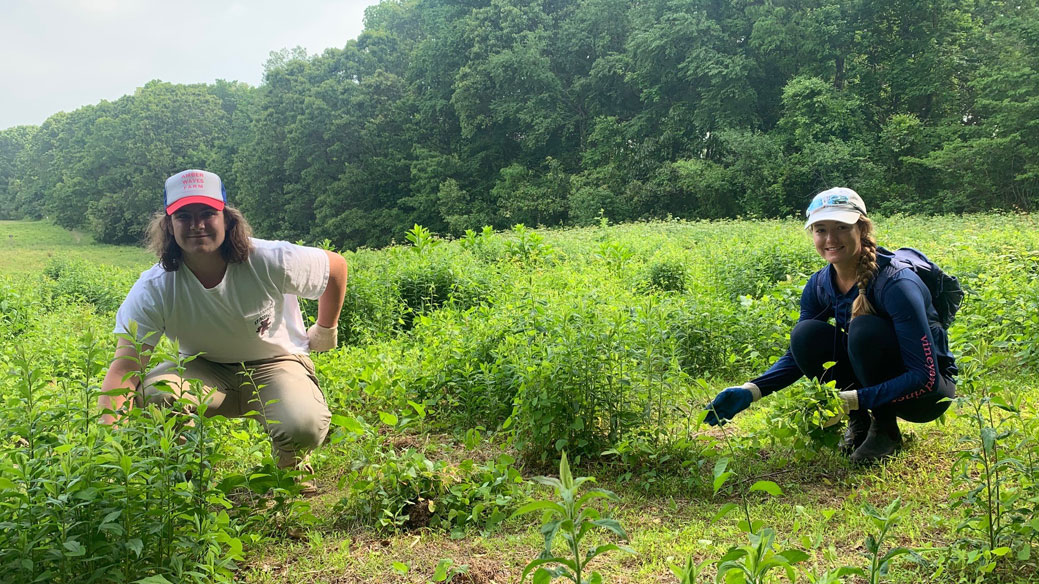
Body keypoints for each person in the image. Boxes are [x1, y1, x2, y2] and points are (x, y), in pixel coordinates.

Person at [98, 169, 347, 490]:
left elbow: (335, 267)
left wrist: (325, 331)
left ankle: (292, 463)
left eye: (207, 213)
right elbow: (125, 370)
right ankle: (186, 479)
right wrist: (108, 449)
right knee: (157, 393)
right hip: (204, 369)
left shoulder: (271, 260)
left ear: (227, 219)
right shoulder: (155, 287)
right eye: (183, 216)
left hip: (277, 363)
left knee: (304, 424)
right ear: (169, 226)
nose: (196, 224)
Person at [703, 187, 957, 464]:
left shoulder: (897, 284)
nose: (830, 239)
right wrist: (752, 390)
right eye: (820, 229)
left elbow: (924, 376)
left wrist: (851, 398)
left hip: (927, 395)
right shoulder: (819, 284)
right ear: (812, 234)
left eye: (841, 227)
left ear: (861, 229)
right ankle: (859, 423)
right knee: (805, 334)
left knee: (863, 330)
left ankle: (885, 429)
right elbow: (797, 354)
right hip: (882, 384)